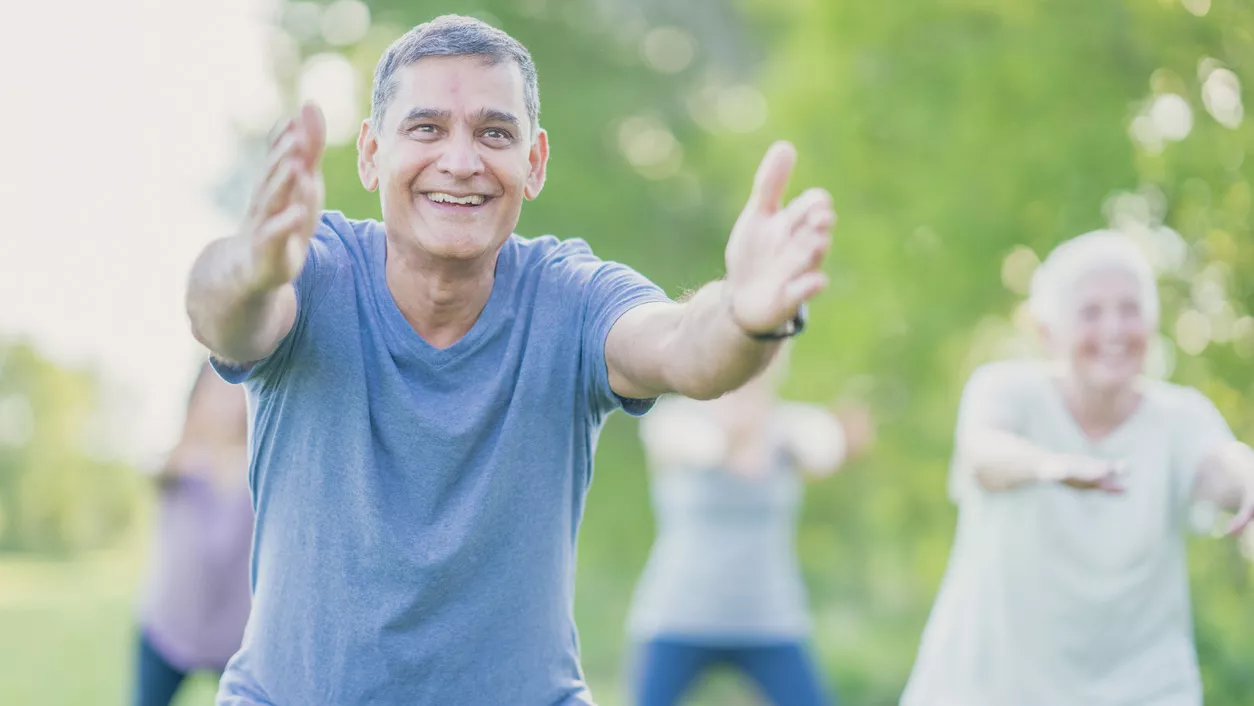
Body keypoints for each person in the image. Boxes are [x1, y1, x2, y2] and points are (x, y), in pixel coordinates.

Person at [184, 14, 836, 706]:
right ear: (371, 152)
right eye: (427, 129)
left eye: (495, 133)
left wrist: (745, 313)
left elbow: (684, 348)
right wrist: (252, 269)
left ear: (536, 161)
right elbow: (224, 315)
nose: (462, 162)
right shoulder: (312, 274)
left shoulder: (573, 297)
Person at [899, 230, 1254, 706]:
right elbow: (982, 454)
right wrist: (1048, 466)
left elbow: (1217, 466)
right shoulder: (1006, 390)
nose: (1114, 329)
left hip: (1143, 688)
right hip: (990, 685)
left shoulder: (1179, 417)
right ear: (1048, 333)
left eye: (1130, 310)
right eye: (1091, 312)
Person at [627, 351, 874, 706]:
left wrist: (842, 440)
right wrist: (735, 437)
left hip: (770, 618)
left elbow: (822, 449)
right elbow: (699, 449)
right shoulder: (675, 419)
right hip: (678, 615)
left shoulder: (791, 424)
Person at [134, 362, 252, 706]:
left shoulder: (255, 465)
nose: (227, 404)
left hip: (234, 636)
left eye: (235, 392)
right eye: (215, 392)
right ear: (196, 401)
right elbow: (153, 467)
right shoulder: (178, 463)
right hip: (167, 628)